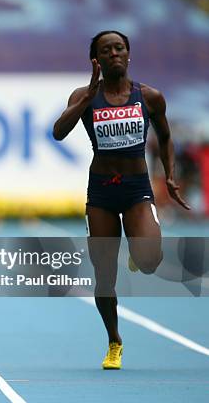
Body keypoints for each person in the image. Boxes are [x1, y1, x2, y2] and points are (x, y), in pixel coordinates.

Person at [53, 31, 190, 370]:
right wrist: (85, 99)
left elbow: (167, 137)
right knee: (104, 276)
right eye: (106, 50)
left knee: (149, 262)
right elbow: (58, 132)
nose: (114, 53)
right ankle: (114, 340)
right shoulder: (84, 96)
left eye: (119, 48)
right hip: (101, 191)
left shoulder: (150, 97)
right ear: (95, 60)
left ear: (128, 55)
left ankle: (138, 249)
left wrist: (169, 175)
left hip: (136, 188)